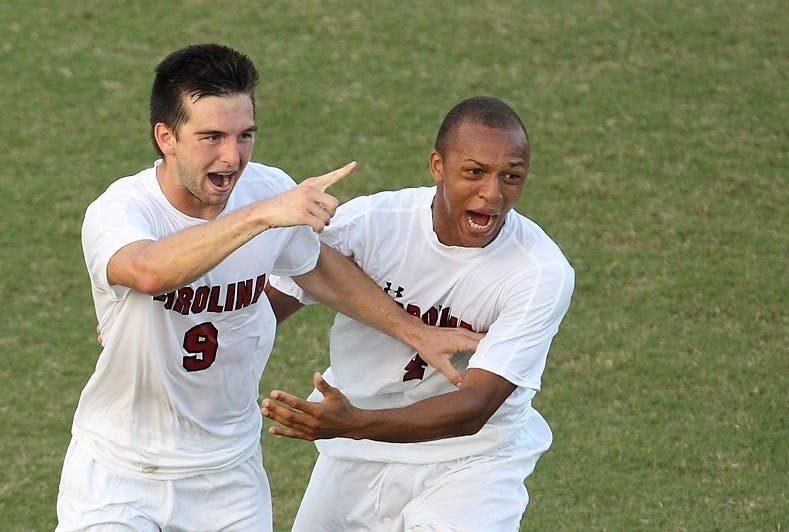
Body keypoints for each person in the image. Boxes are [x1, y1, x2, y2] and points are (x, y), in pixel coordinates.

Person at [55, 44, 481, 532]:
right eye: (211, 137)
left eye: (245, 135)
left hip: (227, 477)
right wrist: (261, 216)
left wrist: (416, 332)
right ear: (166, 137)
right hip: (119, 472)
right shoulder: (121, 211)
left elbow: (317, 268)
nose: (232, 156)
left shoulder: (265, 191)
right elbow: (150, 271)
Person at [262, 96, 575, 531]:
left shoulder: (539, 272)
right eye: (474, 172)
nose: (493, 193)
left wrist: (356, 424)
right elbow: (256, 314)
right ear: (437, 166)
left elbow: (475, 407)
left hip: (473, 461)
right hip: (357, 454)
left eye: (512, 176)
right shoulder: (372, 225)